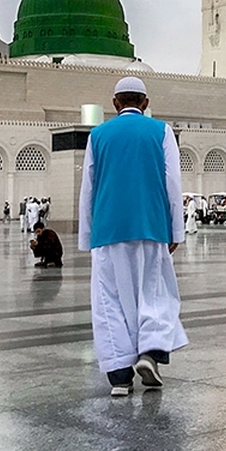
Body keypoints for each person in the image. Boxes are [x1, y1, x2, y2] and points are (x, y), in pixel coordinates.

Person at [79, 76, 187, 398]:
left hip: (108, 231)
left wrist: (88, 236)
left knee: (109, 301)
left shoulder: (98, 135)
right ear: (145, 103)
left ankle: (120, 376)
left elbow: (89, 188)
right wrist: (176, 230)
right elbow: (173, 184)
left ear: (115, 104)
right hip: (151, 226)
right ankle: (150, 354)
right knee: (154, 295)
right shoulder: (161, 131)